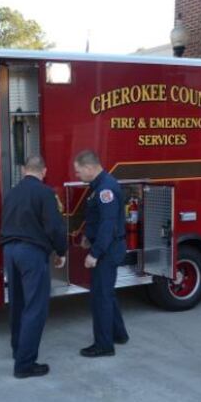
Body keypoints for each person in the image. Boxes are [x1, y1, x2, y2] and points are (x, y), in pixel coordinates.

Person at [0, 155, 67, 378]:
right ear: (43, 171)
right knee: (35, 307)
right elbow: (54, 227)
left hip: (10, 251)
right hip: (31, 253)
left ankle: (18, 351)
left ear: (24, 170)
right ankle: (25, 365)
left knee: (17, 304)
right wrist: (61, 251)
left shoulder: (11, 193)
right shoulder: (45, 193)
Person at [73, 149, 130, 357]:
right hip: (107, 247)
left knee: (101, 297)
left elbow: (108, 225)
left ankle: (104, 346)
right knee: (107, 294)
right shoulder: (99, 186)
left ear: (89, 168)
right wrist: (88, 236)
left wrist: (95, 254)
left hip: (107, 250)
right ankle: (118, 334)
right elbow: (99, 220)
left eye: (79, 171)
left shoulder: (106, 189)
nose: (77, 176)